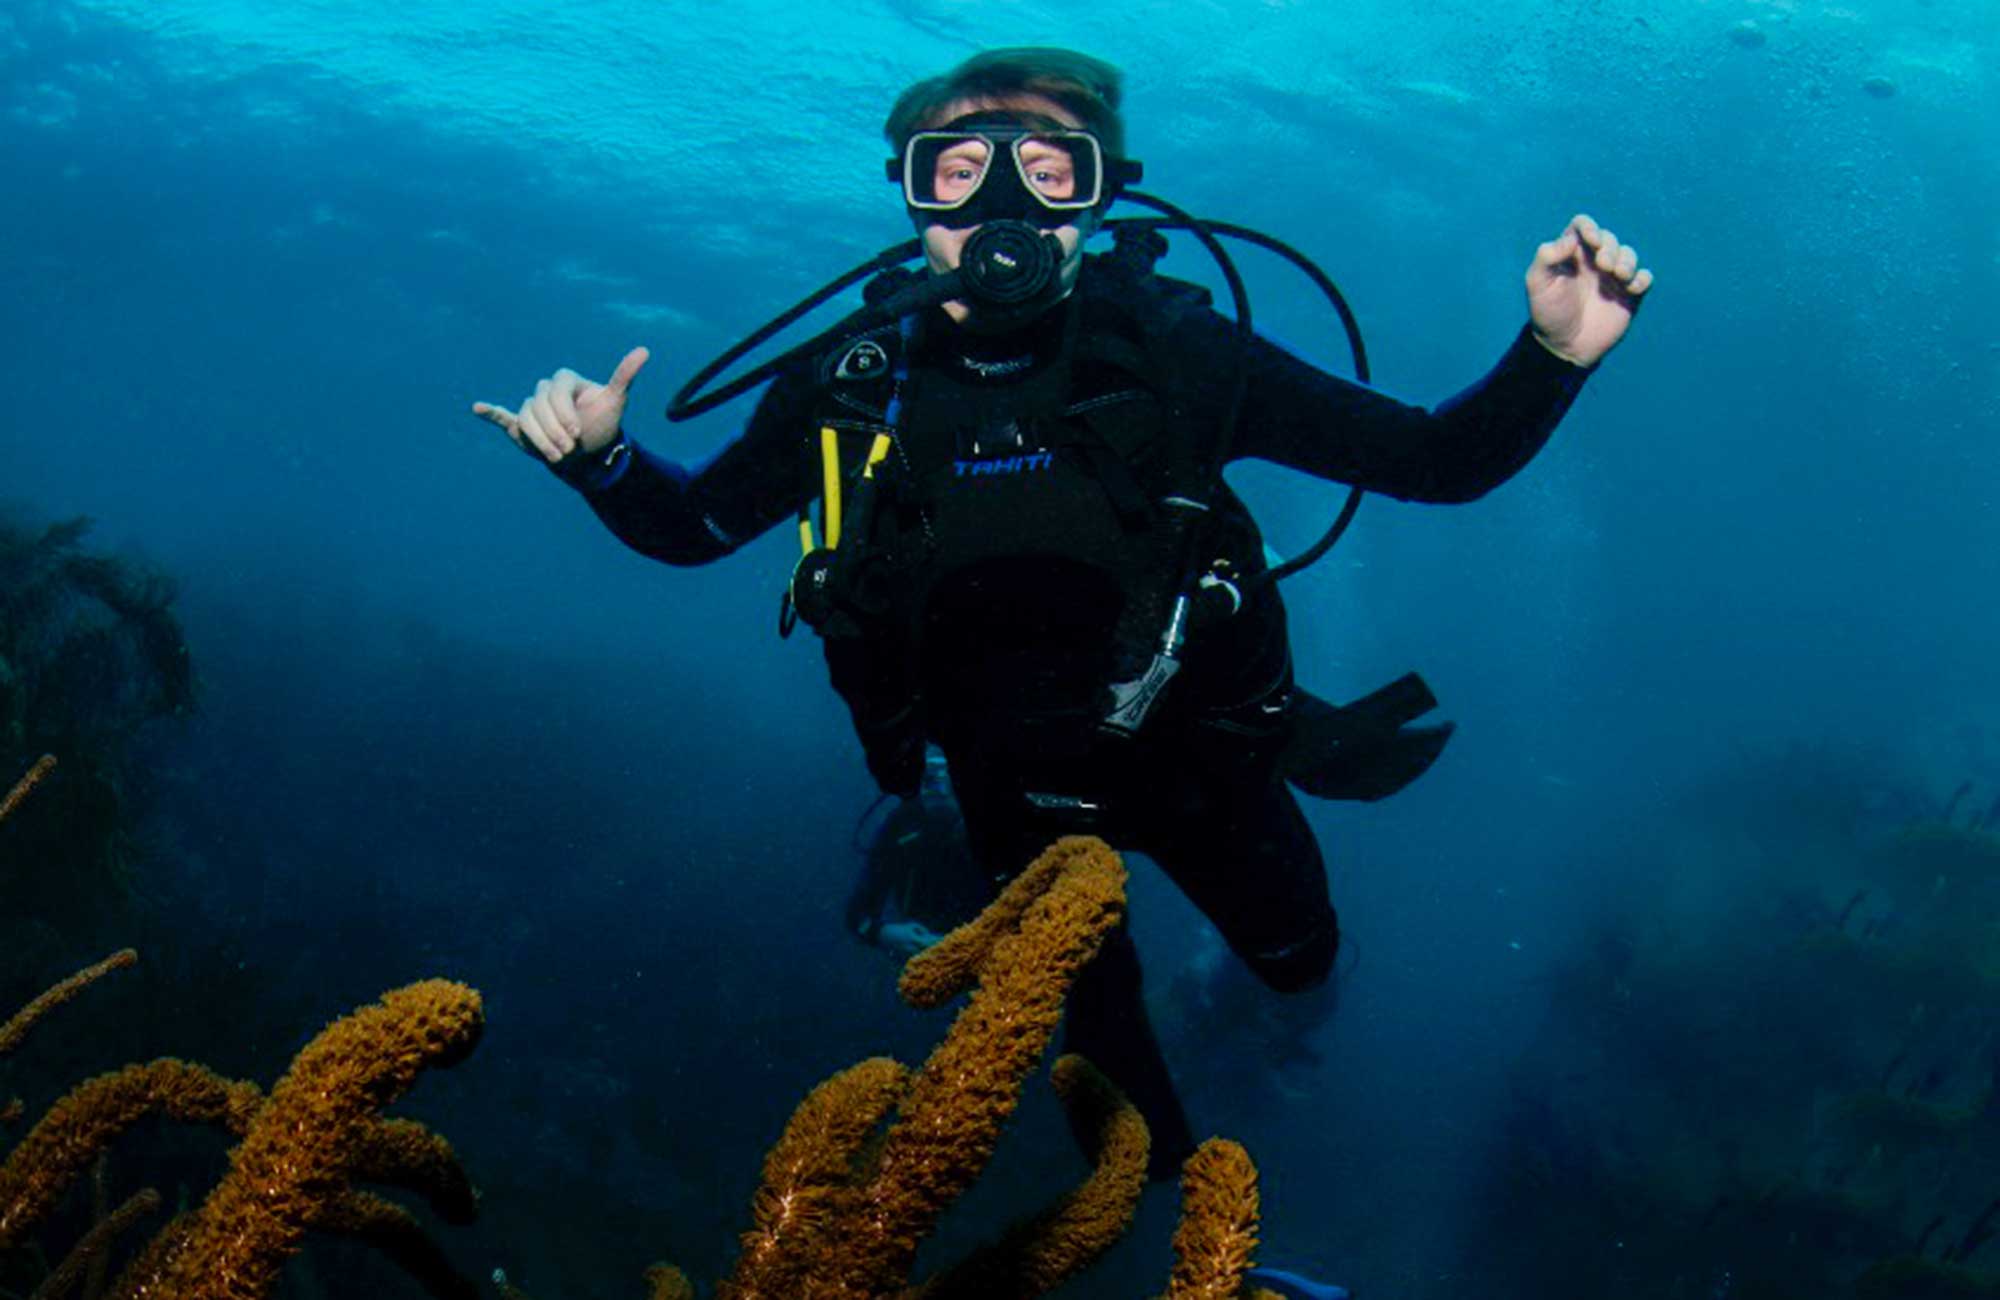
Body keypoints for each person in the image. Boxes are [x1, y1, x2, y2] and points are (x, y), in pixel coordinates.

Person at [473, 48, 1651, 1176]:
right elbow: (697, 529)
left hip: (1204, 751)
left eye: (1049, 173)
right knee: (1104, 1054)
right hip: (1000, 780)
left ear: (1100, 198)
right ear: (907, 191)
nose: (1001, 207)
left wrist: (1549, 355)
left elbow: (1433, 458)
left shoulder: (1176, 349)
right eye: (956, 170)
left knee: (1299, 965)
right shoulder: (852, 377)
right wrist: (603, 466)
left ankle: (1244, 1021)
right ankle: (1163, 1232)